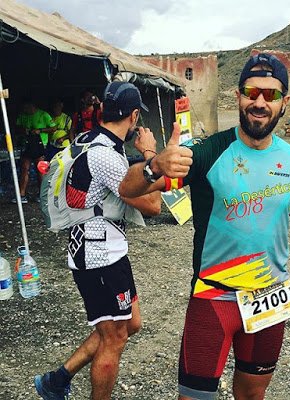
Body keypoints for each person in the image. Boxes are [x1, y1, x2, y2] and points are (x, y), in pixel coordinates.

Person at [120, 52, 290, 400]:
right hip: (213, 296)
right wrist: (154, 165)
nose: (259, 102)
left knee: (252, 394)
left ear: (284, 102)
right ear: (238, 96)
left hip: (270, 297)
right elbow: (127, 190)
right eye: (251, 92)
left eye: (270, 94)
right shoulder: (207, 152)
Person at [34, 81, 193, 400]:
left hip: (105, 253)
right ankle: (66, 385)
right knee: (114, 338)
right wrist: (151, 154)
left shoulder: (88, 139)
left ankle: (57, 379)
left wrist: (155, 169)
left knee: (130, 323)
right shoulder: (107, 157)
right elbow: (152, 206)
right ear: (134, 116)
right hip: (99, 258)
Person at [13, 98, 56, 203]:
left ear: (33, 106)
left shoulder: (43, 114)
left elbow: (53, 128)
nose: (25, 110)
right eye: (24, 108)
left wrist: (40, 130)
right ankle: (22, 195)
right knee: (24, 168)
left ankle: (42, 194)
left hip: (40, 145)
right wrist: (23, 130)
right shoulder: (22, 115)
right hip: (27, 144)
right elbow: (16, 127)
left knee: (40, 170)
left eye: (27, 107)